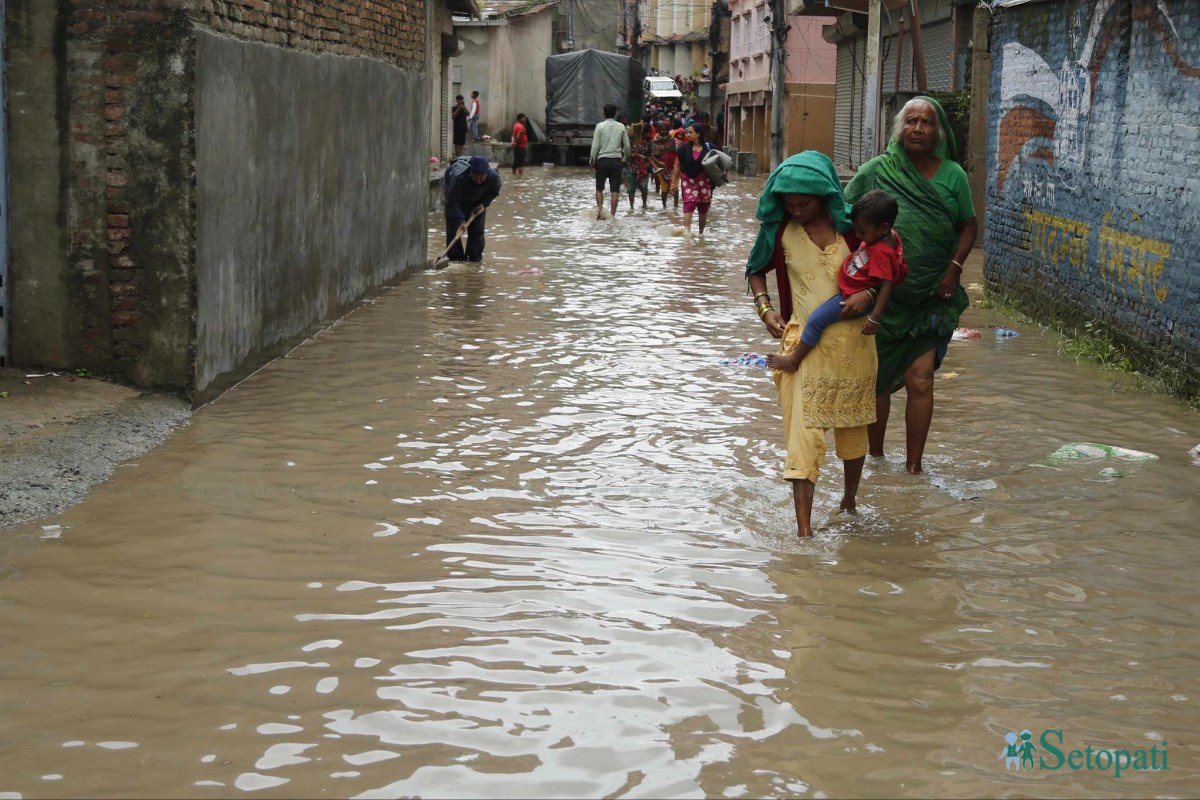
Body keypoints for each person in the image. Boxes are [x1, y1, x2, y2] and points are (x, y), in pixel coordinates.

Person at [745, 151, 878, 538]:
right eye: (789, 204)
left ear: (824, 196)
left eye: (803, 203)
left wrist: (869, 294)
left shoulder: (856, 229)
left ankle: (849, 502)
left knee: (854, 432)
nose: (797, 210)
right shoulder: (780, 229)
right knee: (803, 437)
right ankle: (804, 533)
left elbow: (889, 271)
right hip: (801, 348)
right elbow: (755, 270)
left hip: (855, 347)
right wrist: (766, 310)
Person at [845, 96, 978, 474]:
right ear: (900, 128)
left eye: (926, 123)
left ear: (938, 132)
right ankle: (875, 460)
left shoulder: (953, 175)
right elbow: (844, 213)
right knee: (877, 381)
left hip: (932, 295)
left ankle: (914, 468)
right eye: (911, 121)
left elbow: (968, 225)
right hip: (881, 301)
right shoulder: (876, 171)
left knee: (920, 380)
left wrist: (953, 269)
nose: (918, 129)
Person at [767, 189, 907, 372]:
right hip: (852, 290)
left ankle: (793, 360)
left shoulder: (882, 251)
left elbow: (886, 285)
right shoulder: (882, 236)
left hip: (852, 297)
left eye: (862, 233)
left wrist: (874, 318)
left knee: (816, 320)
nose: (857, 236)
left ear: (884, 228)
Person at [442, 155, 501, 262]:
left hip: (477, 203)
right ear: (471, 173)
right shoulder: (459, 177)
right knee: (454, 232)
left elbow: (495, 191)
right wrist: (460, 221)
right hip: (455, 202)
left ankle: (473, 261)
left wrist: (484, 204)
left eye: (481, 178)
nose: (478, 181)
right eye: (475, 177)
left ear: (486, 174)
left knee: (477, 233)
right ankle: (455, 260)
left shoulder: (493, 177)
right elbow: (452, 202)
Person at [670, 122, 715, 235]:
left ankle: (701, 234)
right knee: (688, 205)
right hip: (688, 181)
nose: (687, 135)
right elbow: (677, 166)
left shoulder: (709, 148)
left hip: (704, 183)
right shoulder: (683, 149)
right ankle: (687, 235)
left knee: (703, 210)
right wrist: (673, 183)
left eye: (690, 132)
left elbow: (718, 164)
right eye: (687, 132)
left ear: (698, 134)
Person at [588, 103, 630, 220]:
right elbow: (627, 146)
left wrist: (592, 160)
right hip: (616, 161)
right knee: (615, 190)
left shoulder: (600, 126)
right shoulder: (621, 127)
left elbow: (595, 146)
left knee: (599, 188)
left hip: (602, 161)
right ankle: (612, 216)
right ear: (615, 113)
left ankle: (600, 211)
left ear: (604, 113)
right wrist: (625, 159)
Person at [623, 123, 652, 211]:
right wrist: (632, 155)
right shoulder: (629, 141)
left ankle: (644, 205)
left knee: (644, 188)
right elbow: (625, 154)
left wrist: (646, 160)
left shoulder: (648, 142)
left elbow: (649, 154)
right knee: (631, 188)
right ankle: (631, 207)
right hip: (631, 167)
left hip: (643, 168)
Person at [650, 120, 679, 209]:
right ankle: (664, 206)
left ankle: (676, 206)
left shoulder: (673, 140)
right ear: (658, 130)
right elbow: (652, 155)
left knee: (675, 186)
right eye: (662, 129)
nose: (664, 131)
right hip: (661, 167)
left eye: (665, 129)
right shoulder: (655, 141)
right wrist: (657, 164)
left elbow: (678, 153)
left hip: (674, 166)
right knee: (664, 188)